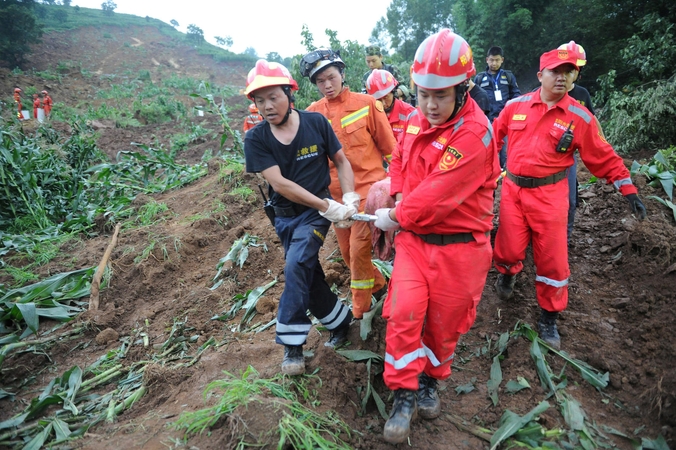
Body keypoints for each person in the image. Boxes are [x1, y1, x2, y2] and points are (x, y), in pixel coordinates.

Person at [373, 30, 500, 444]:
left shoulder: (474, 135)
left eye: (441, 95)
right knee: (405, 313)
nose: (430, 104)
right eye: (424, 93)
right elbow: (399, 162)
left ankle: (431, 379)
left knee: (444, 327)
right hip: (414, 242)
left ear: (464, 89)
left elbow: (433, 197)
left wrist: (392, 215)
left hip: (460, 249)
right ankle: (404, 393)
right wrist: (394, 195)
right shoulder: (412, 120)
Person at [492, 48, 647, 350]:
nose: (561, 77)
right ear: (540, 75)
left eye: (568, 71)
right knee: (508, 248)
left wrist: (628, 189)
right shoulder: (514, 107)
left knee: (552, 259)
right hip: (512, 191)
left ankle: (549, 315)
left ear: (575, 76)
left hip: (551, 196)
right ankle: (508, 275)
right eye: (555, 71)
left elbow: (603, 156)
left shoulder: (580, 116)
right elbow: (490, 141)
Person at [242, 59, 358, 376]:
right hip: (284, 217)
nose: (267, 106)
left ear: (289, 93)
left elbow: (341, 160)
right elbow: (279, 184)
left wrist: (347, 196)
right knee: (307, 272)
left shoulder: (316, 123)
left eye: (273, 97)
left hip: (314, 216)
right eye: (259, 99)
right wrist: (327, 206)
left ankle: (292, 346)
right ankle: (341, 322)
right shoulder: (256, 139)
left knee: (295, 266)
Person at [301, 49, 397, 320]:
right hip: (336, 200)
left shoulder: (367, 104)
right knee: (346, 253)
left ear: (342, 74)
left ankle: (360, 314)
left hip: (369, 192)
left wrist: (400, 188)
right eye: (320, 82)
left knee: (357, 253)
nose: (327, 85)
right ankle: (379, 287)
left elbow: (391, 149)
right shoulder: (312, 114)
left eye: (331, 78)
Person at [557, 40, 595, 242]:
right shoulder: (550, 91)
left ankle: (566, 237)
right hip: (546, 157)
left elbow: (592, 126)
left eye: (575, 68)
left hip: (569, 157)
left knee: (570, 200)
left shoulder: (582, 95)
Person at [474, 46, 521, 167]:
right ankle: (490, 177)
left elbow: (516, 95)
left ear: (502, 60)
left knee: (505, 152)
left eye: (497, 60)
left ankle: (504, 177)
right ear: (487, 60)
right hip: (486, 121)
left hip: (504, 121)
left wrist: (512, 114)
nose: (494, 63)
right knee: (487, 149)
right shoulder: (479, 78)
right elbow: (473, 99)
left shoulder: (508, 76)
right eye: (491, 60)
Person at [364, 68, 415, 142]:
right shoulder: (369, 116)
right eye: (378, 100)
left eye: (386, 97)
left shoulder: (409, 113)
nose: (383, 104)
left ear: (393, 92)